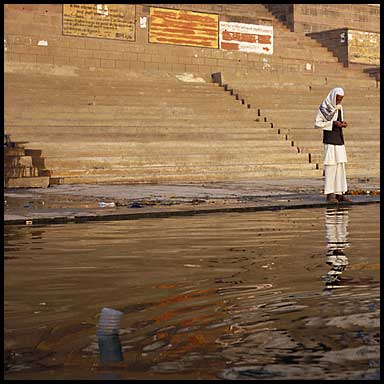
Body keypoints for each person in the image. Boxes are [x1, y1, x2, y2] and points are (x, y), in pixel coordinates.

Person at [314, 87, 352, 203]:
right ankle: (330, 194)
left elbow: (340, 120)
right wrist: (332, 123)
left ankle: (339, 193)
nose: (339, 101)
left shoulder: (340, 108)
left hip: (339, 140)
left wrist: (342, 124)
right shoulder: (324, 107)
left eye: (341, 99)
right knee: (330, 167)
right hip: (330, 140)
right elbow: (317, 124)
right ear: (333, 96)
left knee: (340, 166)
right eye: (338, 99)